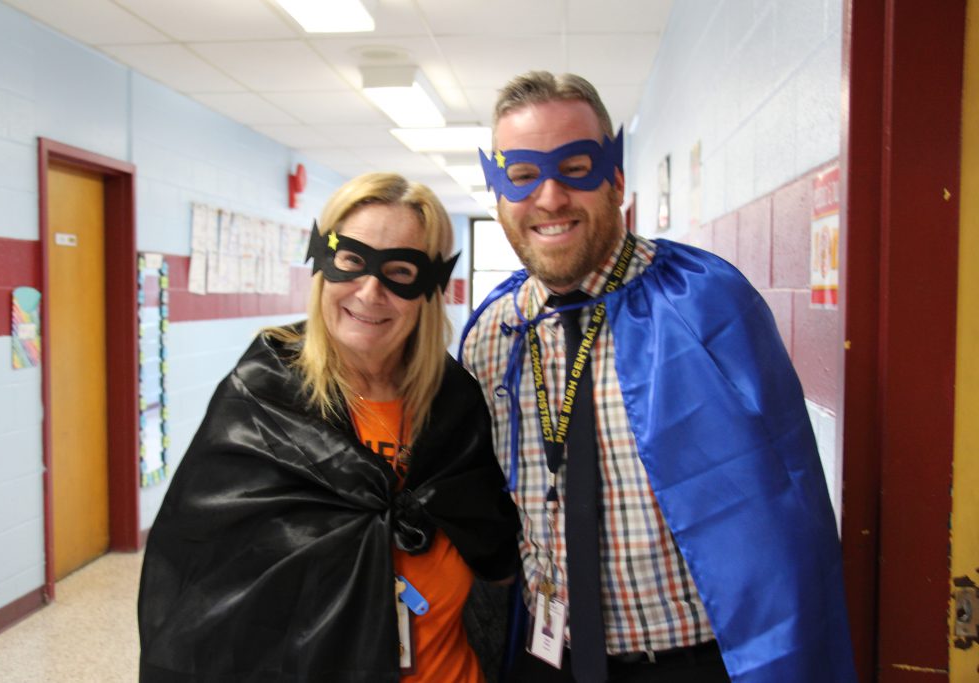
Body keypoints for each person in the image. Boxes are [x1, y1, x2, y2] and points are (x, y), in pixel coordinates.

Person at [460, 71, 857, 683]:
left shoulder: (705, 304)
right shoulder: (491, 337)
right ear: (498, 194)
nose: (549, 197)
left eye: (576, 167)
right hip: (546, 658)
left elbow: (787, 509)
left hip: (691, 664)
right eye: (522, 176)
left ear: (616, 179)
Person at [138, 172, 520, 682]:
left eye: (400, 271)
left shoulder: (454, 403)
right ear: (324, 262)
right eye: (352, 262)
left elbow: (493, 548)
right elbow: (204, 588)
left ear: (430, 287)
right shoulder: (265, 395)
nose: (370, 291)